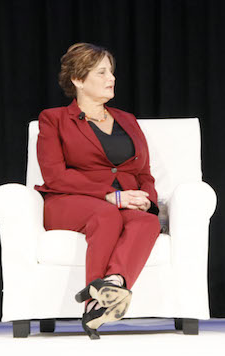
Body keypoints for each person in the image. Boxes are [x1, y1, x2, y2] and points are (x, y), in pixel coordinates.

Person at [36, 43, 160, 339]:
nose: (111, 78)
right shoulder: (53, 119)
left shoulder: (127, 120)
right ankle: (94, 297)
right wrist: (110, 195)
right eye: (102, 72)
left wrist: (147, 200)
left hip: (125, 202)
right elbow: (55, 175)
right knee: (106, 214)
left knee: (147, 222)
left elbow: (143, 172)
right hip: (69, 201)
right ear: (78, 80)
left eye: (112, 72)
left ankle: (113, 285)